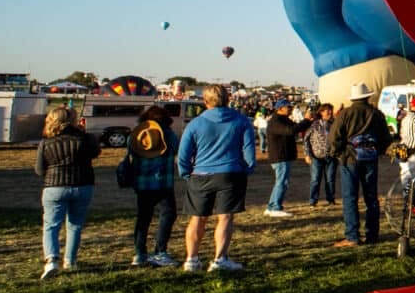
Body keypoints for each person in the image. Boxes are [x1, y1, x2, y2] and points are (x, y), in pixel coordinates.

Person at [175, 85, 258, 273]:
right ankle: (220, 258)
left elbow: (184, 153)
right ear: (228, 100)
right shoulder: (240, 121)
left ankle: (192, 259)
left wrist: (186, 172)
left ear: (205, 102)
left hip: (201, 174)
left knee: (197, 218)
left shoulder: (196, 123)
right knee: (225, 217)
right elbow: (249, 151)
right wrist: (247, 169)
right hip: (231, 173)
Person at [34, 105, 100, 280]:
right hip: (82, 184)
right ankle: (70, 260)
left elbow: (40, 170)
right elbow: (96, 152)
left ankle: (52, 260)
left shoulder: (46, 143)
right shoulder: (85, 139)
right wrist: (84, 133)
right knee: (75, 225)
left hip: (54, 186)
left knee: (51, 225)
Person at [332, 82, 393, 248]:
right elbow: (386, 139)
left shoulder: (345, 114)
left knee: (350, 198)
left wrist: (338, 153)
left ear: (353, 98)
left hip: (350, 159)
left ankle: (352, 236)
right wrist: (376, 151)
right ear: (367, 96)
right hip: (370, 159)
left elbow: (334, 137)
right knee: (371, 197)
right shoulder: (377, 114)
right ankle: (372, 234)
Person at [125, 103, 179, 267]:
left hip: (142, 183)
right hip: (163, 181)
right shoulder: (168, 135)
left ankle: (139, 253)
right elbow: (177, 149)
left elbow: (130, 152)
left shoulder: (136, 135)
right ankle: (160, 250)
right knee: (168, 214)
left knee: (143, 218)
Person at [262, 102, 299, 218]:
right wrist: (306, 120)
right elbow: (290, 131)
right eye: (288, 107)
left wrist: (308, 120)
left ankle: (271, 206)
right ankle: (275, 207)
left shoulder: (283, 120)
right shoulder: (276, 122)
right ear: (280, 109)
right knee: (282, 182)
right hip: (280, 156)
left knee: (280, 182)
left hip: (283, 156)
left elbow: (296, 128)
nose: (291, 109)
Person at [304, 102, 337, 206]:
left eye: (331, 110)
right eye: (327, 110)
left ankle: (330, 200)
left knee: (330, 180)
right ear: (321, 112)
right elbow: (306, 139)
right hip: (316, 157)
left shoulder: (335, 124)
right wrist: (307, 154)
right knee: (315, 180)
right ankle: (313, 201)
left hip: (331, 157)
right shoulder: (314, 124)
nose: (330, 112)